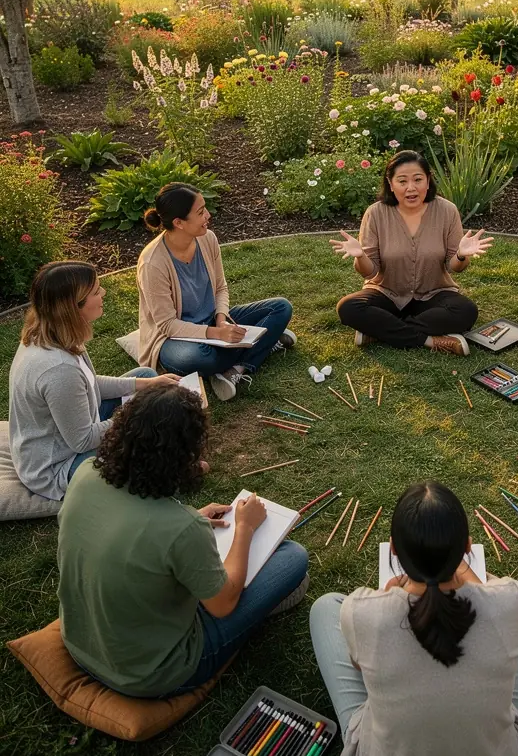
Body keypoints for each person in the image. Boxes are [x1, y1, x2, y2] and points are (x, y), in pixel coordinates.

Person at [57, 386, 309, 697]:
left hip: (80, 644)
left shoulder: (83, 475)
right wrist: (244, 528)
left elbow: (128, 530)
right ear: (183, 455)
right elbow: (222, 604)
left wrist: (191, 523)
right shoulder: (182, 528)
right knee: (293, 558)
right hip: (152, 673)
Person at [309, 481, 518, 756]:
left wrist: (387, 599)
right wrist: (464, 572)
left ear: (394, 552)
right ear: (467, 548)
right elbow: (483, 594)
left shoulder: (362, 611)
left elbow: (357, 665)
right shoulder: (512, 599)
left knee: (325, 608)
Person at [8, 261, 168, 500]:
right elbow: (82, 441)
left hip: (73, 430)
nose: (103, 293)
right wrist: (134, 414)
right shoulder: (58, 369)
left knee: (147, 376)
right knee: (146, 442)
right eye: (96, 291)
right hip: (59, 464)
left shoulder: (57, 333)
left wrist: (142, 385)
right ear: (74, 307)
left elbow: (89, 383)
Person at [137, 183, 296, 402]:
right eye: (201, 212)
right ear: (178, 223)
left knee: (281, 307)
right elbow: (167, 325)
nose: (208, 216)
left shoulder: (207, 238)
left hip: (213, 322)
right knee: (201, 358)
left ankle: (236, 369)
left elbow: (220, 287)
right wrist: (216, 334)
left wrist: (221, 320)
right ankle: (264, 342)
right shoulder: (153, 263)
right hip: (175, 338)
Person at [331, 150, 492, 357]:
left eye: (418, 179)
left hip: (433, 293)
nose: (411, 188)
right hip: (386, 293)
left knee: (466, 311)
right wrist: (360, 256)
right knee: (348, 307)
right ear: (390, 183)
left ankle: (379, 331)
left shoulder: (447, 211)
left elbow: (454, 268)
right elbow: (370, 273)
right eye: (402, 181)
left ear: (428, 181)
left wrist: (461, 254)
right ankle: (431, 341)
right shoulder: (376, 213)